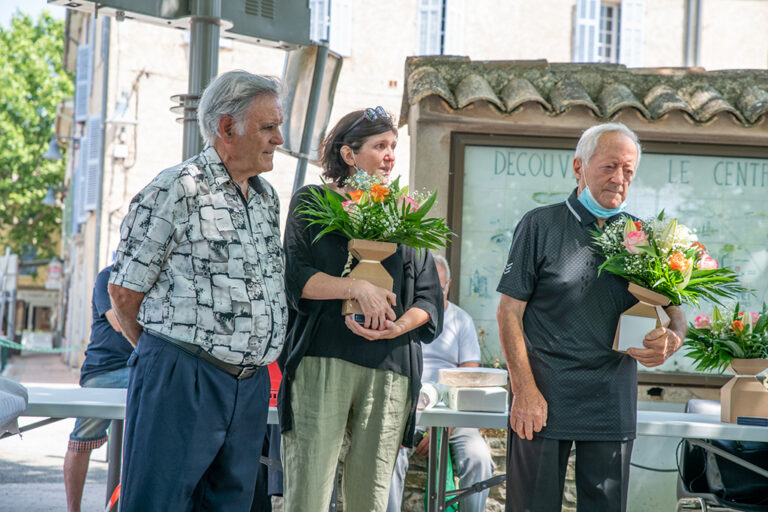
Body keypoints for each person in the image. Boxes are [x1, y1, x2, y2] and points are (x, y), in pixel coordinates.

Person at [108, 70, 287, 510]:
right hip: (182, 376)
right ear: (227, 127)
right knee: (158, 502)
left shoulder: (266, 199)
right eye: (268, 127)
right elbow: (124, 292)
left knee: (229, 504)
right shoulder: (177, 187)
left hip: (247, 385)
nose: (279, 139)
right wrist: (169, 359)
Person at [496, 122, 687, 512]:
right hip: (543, 392)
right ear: (578, 167)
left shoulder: (643, 236)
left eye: (629, 171)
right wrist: (524, 391)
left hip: (611, 398)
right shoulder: (540, 225)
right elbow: (508, 314)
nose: (620, 179)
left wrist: (673, 339)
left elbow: (676, 314)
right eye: (610, 167)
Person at [280, 107, 444, 512]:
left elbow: (428, 298)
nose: (390, 155)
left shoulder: (405, 211)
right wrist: (355, 287)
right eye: (380, 146)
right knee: (308, 489)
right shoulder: (312, 200)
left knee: (371, 498)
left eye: (393, 146)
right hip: (323, 357)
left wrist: (396, 327)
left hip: (390, 367)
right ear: (349, 154)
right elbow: (295, 276)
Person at [387, 254, 494, 512]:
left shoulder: (461, 321)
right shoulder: (404, 319)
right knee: (388, 460)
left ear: (449, 286)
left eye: (441, 287)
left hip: (453, 414)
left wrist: (445, 425)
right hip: (408, 410)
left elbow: (469, 380)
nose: (437, 292)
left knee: (478, 457)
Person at [63, 264, 133, 512]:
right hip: (105, 369)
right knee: (82, 439)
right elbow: (117, 322)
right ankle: (74, 509)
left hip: (142, 368)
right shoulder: (108, 275)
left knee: (154, 439)